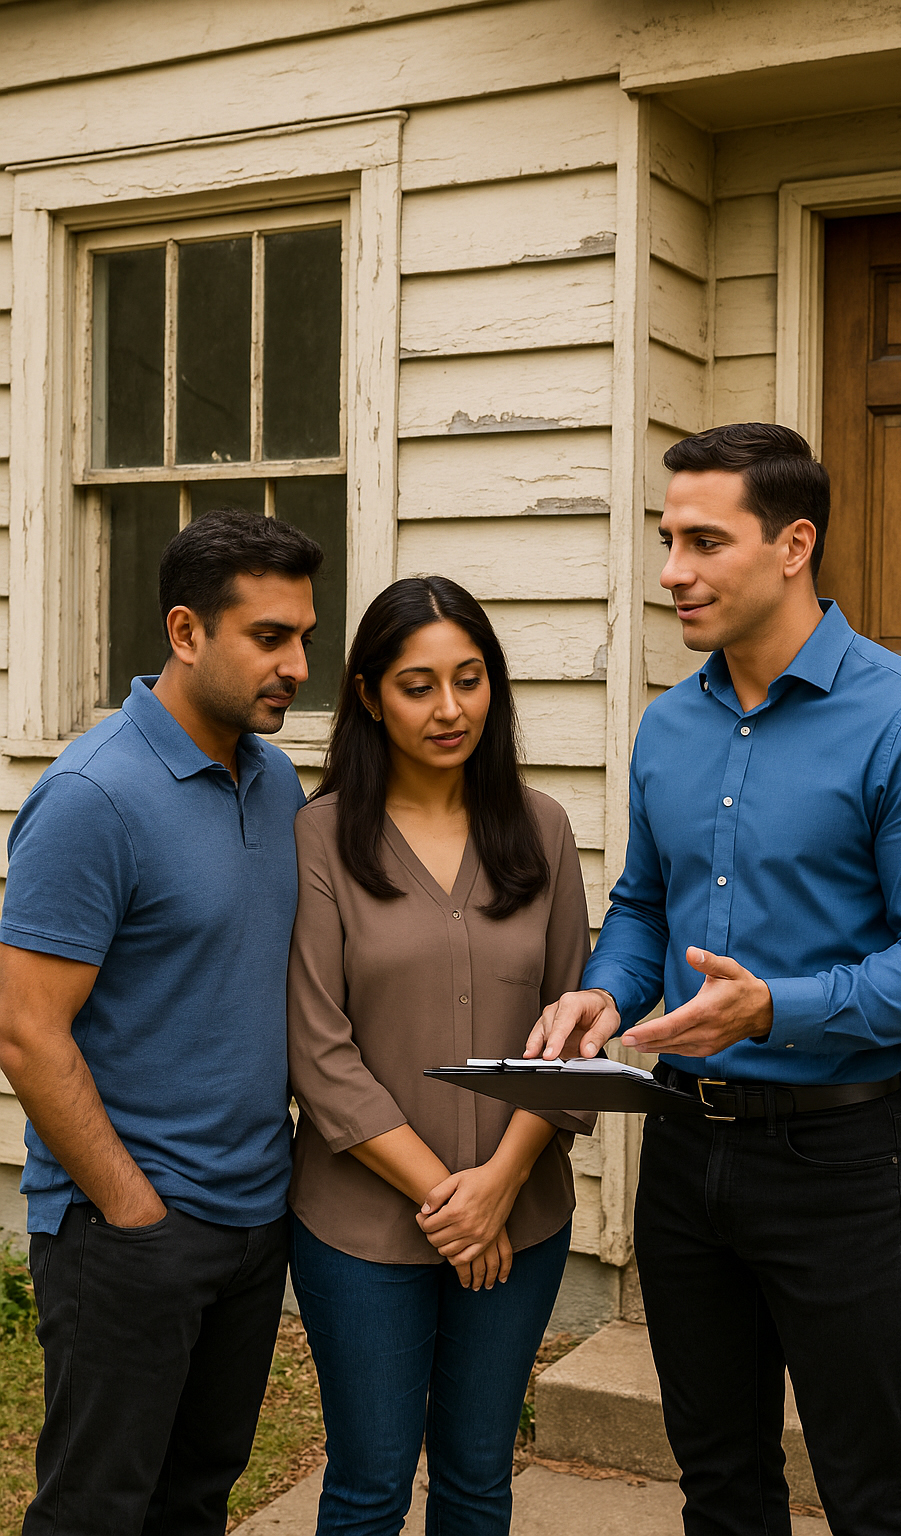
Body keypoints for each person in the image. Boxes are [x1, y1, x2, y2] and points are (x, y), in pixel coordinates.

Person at [525, 423, 901, 1536]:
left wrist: (775, 1009)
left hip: (842, 1161)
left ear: (794, 545)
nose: (672, 572)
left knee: (870, 1493)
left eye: (704, 542)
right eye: (667, 540)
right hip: (681, 1153)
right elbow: (645, 905)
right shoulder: (667, 727)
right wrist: (608, 991)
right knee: (720, 1486)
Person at [0, 510, 323, 1535]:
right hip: (128, 1232)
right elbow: (26, 1031)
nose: (296, 666)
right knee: (97, 1511)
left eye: (303, 637)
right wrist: (134, 1211)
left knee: (195, 1503)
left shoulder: (274, 778)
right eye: (269, 637)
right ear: (186, 632)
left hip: (253, 1218)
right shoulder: (92, 796)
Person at [287, 575, 592, 1536]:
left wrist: (498, 1187)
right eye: (418, 686)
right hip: (360, 1232)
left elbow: (571, 1030)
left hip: (521, 1216)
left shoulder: (542, 830)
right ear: (371, 696)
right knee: (369, 1486)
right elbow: (319, 1051)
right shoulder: (320, 837)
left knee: (477, 1481)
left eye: (470, 679)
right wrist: (453, 1204)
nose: (450, 708)